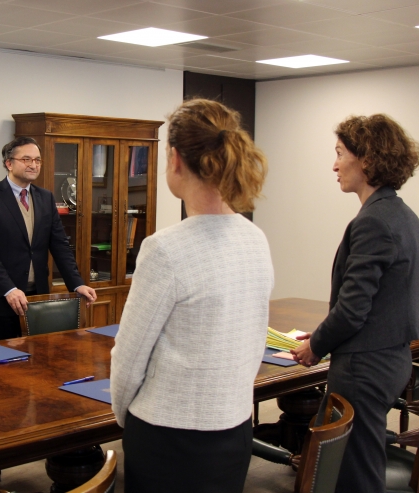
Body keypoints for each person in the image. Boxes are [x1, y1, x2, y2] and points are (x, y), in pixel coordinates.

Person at [110, 99, 274, 493]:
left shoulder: (165, 248)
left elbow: (129, 358)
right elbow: (253, 339)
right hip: (233, 428)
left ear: (175, 159)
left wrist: (123, 416)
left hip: (168, 436)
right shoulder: (256, 239)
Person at [292, 114, 419, 493]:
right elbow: (379, 301)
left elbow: (353, 309)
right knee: (345, 463)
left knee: (355, 475)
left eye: (340, 154)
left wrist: (315, 347)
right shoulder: (403, 215)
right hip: (390, 359)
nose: (334, 165)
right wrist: (321, 334)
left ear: (366, 159)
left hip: (365, 366)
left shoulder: (374, 222)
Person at [0, 136, 96, 341]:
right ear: (9, 163)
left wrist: (76, 284)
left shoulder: (45, 198)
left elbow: (60, 245)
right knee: (3, 363)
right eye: (26, 159)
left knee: (38, 358)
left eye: (37, 160)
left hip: (37, 295)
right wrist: (8, 289)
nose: (33, 165)